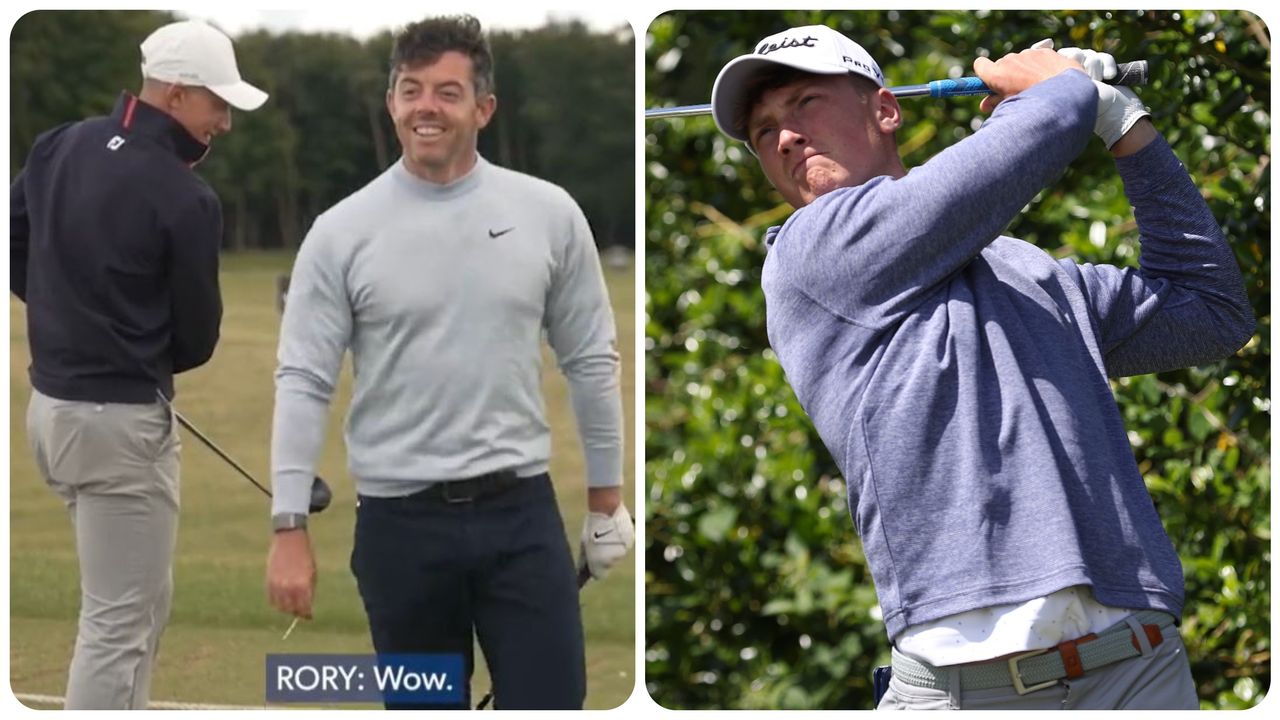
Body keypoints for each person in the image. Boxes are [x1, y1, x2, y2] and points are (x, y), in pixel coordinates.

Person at [708, 25, 1253, 710]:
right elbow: (1044, 122)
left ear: (885, 108)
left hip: (1137, 672)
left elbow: (1209, 314)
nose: (784, 137)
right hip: (965, 693)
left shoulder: (1027, 270)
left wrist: (1126, 125)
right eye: (762, 132)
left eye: (804, 103)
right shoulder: (810, 254)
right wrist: (1063, 89)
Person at [264, 14, 633, 710]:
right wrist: (289, 526)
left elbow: (590, 359)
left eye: (446, 91)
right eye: (410, 90)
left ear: (483, 108)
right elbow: (304, 380)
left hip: (520, 518)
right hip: (399, 530)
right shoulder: (340, 232)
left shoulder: (548, 213)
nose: (425, 107)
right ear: (391, 102)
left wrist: (605, 501)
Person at [10, 19, 267, 710]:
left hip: (51, 415)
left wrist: (75, 319)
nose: (224, 122)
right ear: (178, 94)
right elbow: (198, 338)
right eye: (218, 104)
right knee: (117, 623)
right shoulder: (186, 197)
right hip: (119, 428)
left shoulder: (59, 144)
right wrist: (128, 341)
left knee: (143, 602)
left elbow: (17, 251)